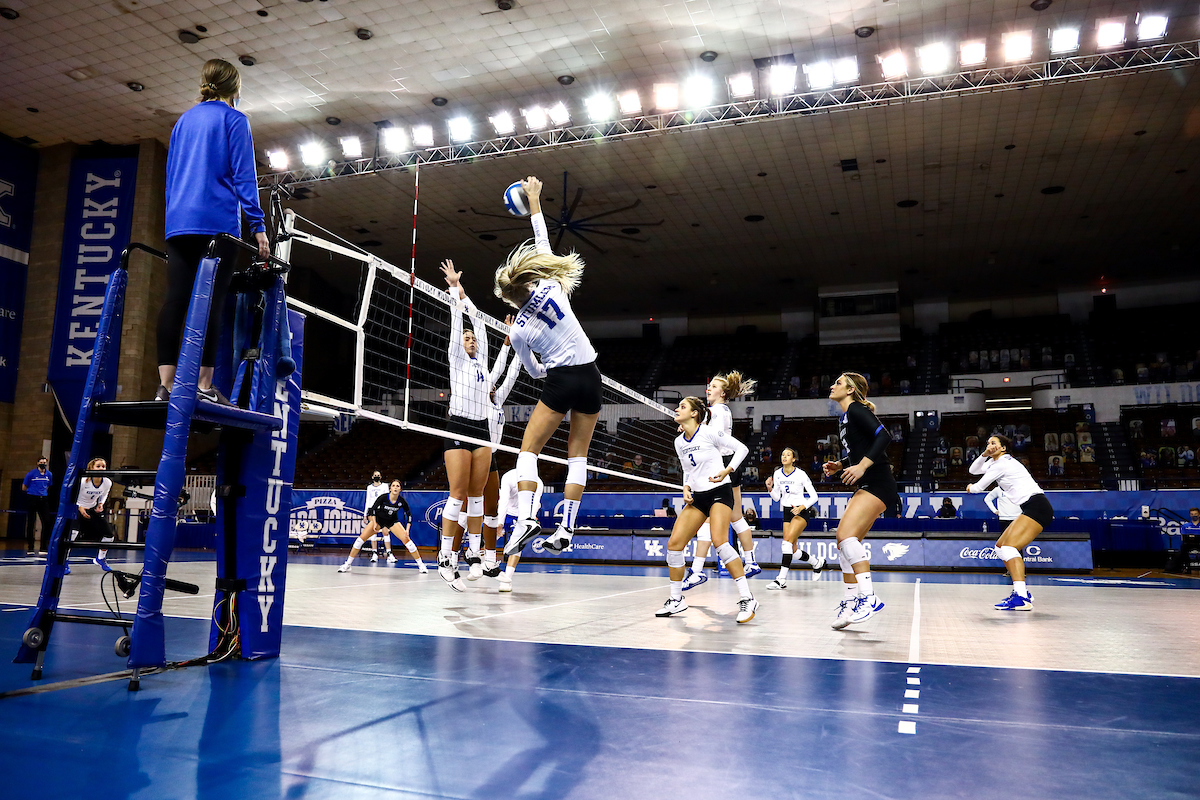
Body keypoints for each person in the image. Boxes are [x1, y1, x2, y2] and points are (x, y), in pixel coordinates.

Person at [497, 176, 601, 558]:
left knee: (528, 451)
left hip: (559, 379)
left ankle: (526, 518)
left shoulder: (519, 329)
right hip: (590, 375)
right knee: (578, 457)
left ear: (510, 299)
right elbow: (543, 245)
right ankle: (567, 530)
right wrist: (536, 201)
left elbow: (533, 371)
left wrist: (542, 367)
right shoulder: (552, 287)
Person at [156, 58, 270, 404]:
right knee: (211, 304)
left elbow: (171, 175)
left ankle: (167, 385)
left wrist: (173, 218)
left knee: (176, 299)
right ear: (236, 89)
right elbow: (244, 176)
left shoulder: (182, 121)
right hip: (216, 224)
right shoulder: (234, 119)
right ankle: (204, 386)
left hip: (179, 222)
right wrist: (259, 228)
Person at [655, 397, 758, 623]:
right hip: (698, 496)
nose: (676, 409)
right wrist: (685, 486)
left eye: (682, 406)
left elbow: (741, 448)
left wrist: (727, 470)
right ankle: (676, 599)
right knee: (674, 545)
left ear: (694, 414)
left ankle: (747, 598)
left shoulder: (709, 432)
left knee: (719, 541)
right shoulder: (679, 442)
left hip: (720, 491)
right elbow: (686, 469)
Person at [436, 260, 496, 592]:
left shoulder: (482, 364)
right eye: (467, 338)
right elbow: (459, 319)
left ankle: (473, 553)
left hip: (482, 429)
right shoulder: (456, 357)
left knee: (477, 495)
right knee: (458, 494)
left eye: (473, 339)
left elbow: (482, 327)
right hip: (458, 426)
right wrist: (454, 289)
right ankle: (446, 557)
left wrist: (467, 295)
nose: (471, 340)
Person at [823, 373, 898, 630]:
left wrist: (862, 466)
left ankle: (869, 598)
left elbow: (884, 436)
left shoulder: (856, 408)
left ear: (851, 390)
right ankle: (851, 600)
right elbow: (859, 449)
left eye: (839, 383)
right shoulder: (844, 418)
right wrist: (841, 464)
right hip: (870, 484)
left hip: (878, 483)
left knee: (845, 536)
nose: (833, 386)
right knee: (844, 543)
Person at [453, 312, 522, 582]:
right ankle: (458, 554)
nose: (491, 386)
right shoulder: (478, 398)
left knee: (492, 509)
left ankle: (489, 559)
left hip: (490, 456)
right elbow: (496, 370)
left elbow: (511, 374)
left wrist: (518, 343)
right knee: (467, 510)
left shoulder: (497, 399)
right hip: (473, 451)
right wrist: (506, 343)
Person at [682, 371, 760, 590]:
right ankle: (751, 561)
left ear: (723, 393)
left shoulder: (717, 411)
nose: (709, 389)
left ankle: (696, 571)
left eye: (714, 386)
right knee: (736, 517)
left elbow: (711, 437)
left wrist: (691, 428)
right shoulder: (718, 410)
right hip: (728, 464)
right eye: (709, 386)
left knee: (706, 520)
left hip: (721, 464)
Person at [966, 435, 1055, 611]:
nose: (990, 445)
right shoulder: (995, 463)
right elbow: (973, 470)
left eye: (994, 443)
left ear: (1003, 448)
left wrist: (970, 488)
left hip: (1037, 507)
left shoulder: (1002, 464)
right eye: (988, 443)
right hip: (1030, 507)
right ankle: (1021, 592)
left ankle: (1022, 598)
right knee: (1000, 547)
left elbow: (978, 486)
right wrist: (984, 454)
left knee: (1009, 548)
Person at [765, 447, 825, 589]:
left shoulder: (801, 474)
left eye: (788, 455)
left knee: (786, 543)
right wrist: (769, 488)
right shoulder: (777, 474)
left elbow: (814, 496)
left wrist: (801, 507)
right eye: (782, 454)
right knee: (792, 550)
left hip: (801, 511)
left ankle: (781, 579)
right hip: (787, 511)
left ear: (793, 459)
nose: (784, 457)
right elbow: (776, 498)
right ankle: (816, 563)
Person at [338, 480, 426, 574]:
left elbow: (409, 515)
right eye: (393, 486)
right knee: (360, 540)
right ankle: (347, 564)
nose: (395, 487)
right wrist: (375, 523)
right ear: (390, 488)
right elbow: (373, 510)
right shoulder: (383, 498)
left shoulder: (401, 501)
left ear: (400, 489)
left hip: (392, 522)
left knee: (408, 541)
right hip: (379, 520)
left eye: (397, 486)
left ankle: (421, 565)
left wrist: (407, 529)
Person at [493, 468, 545, 592]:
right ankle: (483, 564)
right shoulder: (508, 476)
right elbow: (503, 500)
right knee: (489, 538)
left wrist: (530, 521)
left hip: (523, 515)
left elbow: (536, 503)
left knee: (517, 545)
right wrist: (500, 522)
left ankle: (506, 579)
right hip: (505, 512)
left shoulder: (538, 482)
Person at [73, 457, 116, 571]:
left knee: (109, 535)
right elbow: (71, 496)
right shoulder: (83, 481)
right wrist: (80, 508)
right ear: (91, 468)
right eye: (98, 466)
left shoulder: (107, 482)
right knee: (72, 535)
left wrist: (101, 504)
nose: (101, 468)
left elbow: (104, 494)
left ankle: (100, 559)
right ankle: (64, 562)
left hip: (92, 508)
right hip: (77, 507)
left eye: (103, 466)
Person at [22, 456, 53, 553]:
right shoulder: (31, 474)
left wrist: (42, 493)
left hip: (43, 499)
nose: (43, 463)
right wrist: (32, 492)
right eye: (41, 462)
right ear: (38, 463)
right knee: (31, 522)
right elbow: (24, 487)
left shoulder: (49, 474)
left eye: (45, 462)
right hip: (32, 498)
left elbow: (48, 486)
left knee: (47, 522)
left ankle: (43, 547)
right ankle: (30, 547)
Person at [363, 471, 389, 562]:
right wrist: (365, 514)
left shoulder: (385, 486)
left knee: (385, 531)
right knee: (373, 531)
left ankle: (389, 553)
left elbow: (387, 499)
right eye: (375, 475)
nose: (377, 477)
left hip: (382, 510)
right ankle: (374, 553)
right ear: (372, 477)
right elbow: (367, 500)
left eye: (378, 475)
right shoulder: (369, 487)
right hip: (372, 510)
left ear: (381, 477)